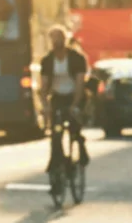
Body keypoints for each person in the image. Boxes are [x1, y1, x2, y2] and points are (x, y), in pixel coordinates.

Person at [40, 25, 90, 193]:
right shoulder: (47, 60)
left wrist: (75, 105)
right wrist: (46, 107)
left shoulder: (76, 58)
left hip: (74, 96)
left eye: (59, 38)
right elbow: (44, 86)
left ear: (65, 39)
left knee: (74, 126)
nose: (56, 42)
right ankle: (56, 167)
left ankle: (80, 147)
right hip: (58, 98)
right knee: (56, 133)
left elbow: (79, 84)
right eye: (53, 39)